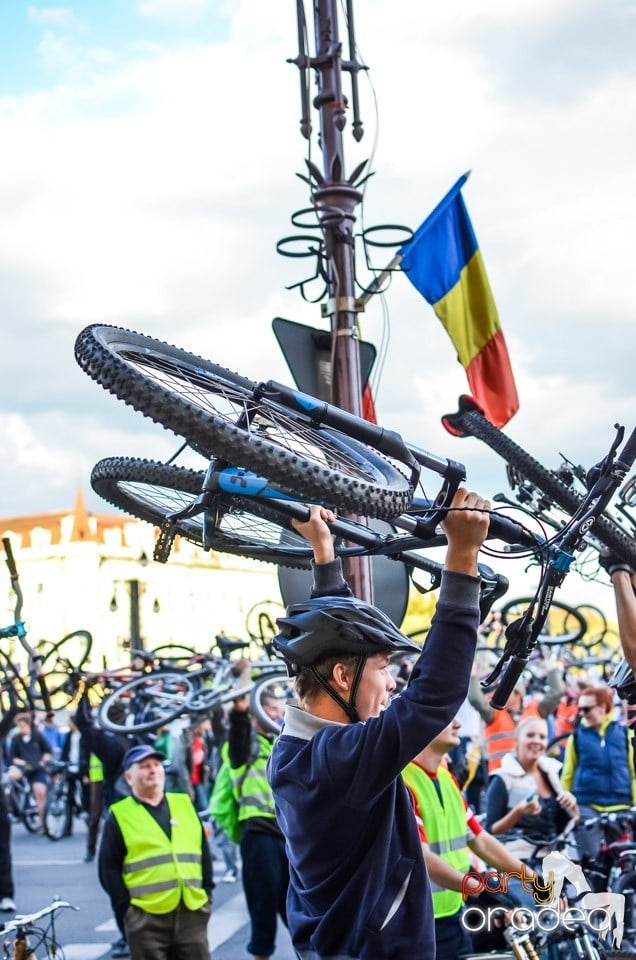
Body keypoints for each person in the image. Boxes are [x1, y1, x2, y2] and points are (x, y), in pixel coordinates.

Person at [268, 488, 490, 960]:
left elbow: (343, 642)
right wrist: (462, 555)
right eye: (383, 667)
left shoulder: (304, 750)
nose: (390, 684)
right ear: (344, 678)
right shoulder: (335, 760)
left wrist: (325, 556)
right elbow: (433, 698)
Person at [404, 716, 539, 960]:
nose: (457, 725)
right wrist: (482, 889)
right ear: (422, 723)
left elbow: (480, 839)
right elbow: (421, 857)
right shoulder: (403, 782)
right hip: (414, 924)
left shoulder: (447, 780)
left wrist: (535, 881)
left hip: (452, 915)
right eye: (448, 719)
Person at [98, 743, 213, 960]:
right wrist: (127, 912)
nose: (152, 769)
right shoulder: (119, 815)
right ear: (129, 777)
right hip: (146, 917)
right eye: (143, 766)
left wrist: (207, 895)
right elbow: (108, 870)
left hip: (192, 911)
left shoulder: (184, 804)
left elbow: (203, 853)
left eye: (156, 764)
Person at [228, 679, 288, 960]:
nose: (276, 714)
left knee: (299, 909)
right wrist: (239, 712)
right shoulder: (245, 746)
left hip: (287, 834)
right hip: (258, 831)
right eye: (269, 709)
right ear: (256, 712)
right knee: (262, 907)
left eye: (278, 709)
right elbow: (237, 735)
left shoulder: (283, 741)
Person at [485, 716, 578, 859]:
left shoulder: (552, 773)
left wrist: (571, 805)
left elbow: (569, 822)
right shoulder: (502, 778)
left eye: (542, 737)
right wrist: (518, 812)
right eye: (530, 735)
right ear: (517, 739)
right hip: (519, 862)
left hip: (555, 861)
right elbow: (490, 831)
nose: (537, 741)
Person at [561, 684, 636, 858]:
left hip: (621, 806)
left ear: (603, 707)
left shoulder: (625, 734)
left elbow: (634, 773)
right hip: (586, 806)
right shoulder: (576, 737)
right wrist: (567, 807)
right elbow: (567, 775)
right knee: (591, 860)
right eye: (579, 709)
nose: (581, 714)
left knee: (623, 860)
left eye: (586, 709)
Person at [469, 653, 564, 775]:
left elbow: (556, 692)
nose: (499, 693)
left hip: (530, 776)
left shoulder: (535, 710)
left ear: (518, 694)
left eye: (506, 690)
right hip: (501, 776)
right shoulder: (493, 712)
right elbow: (476, 699)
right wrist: (472, 674)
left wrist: (551, 668)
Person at [8, 712, 51, 830]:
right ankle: (16, 807)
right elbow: (12, 757)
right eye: (19, 726)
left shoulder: (37, 736)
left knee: (40, 793)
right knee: (10, 779)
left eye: (22, 726)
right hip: (23, 769)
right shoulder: (16, 739)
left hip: (37, 769)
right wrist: (21, 763)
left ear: (28, 725)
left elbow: (48, 751)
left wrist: (43, 761)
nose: (20, 729)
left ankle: (43, 822)